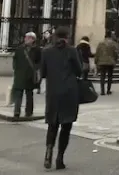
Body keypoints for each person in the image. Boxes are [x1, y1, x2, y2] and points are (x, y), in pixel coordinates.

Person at [39, 26, 82, 170]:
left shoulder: (46, 51)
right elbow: (79, 70)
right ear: (67, 37)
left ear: (55, 37)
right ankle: (60, 158)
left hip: (53, 92)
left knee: (52, 125)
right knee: (66, 126)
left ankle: (48, 152)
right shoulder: (72, 50)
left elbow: (43, 72)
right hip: (69, 92)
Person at [11, 32, 39, 120]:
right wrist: (16, 69)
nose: (26, 39)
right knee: (18, 94)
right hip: (20, 75)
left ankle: (29, 112)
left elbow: (39, 62)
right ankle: (16, 112)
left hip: (30, 76)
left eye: (28, 38)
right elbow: (15, 60)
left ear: (33, 40)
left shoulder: (37, 50)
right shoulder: (20, 49)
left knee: (29, 94)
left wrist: (36, 71)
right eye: (25, 37)